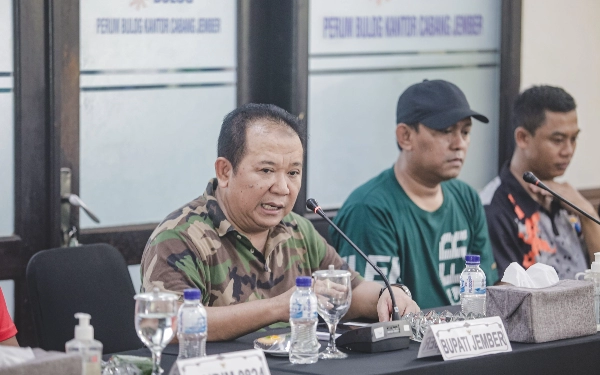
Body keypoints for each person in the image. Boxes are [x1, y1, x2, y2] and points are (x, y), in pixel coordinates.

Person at [141, 103, 419, 341]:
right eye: (266, 170)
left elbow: (351, 289)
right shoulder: (178, 238)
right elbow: (169, 325)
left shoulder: (297, 228)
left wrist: (388, 293)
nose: (283, 188)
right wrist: (278, 307)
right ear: (225, 171)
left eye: (294, 172)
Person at [330, 79, 499, 310]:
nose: (459, 143)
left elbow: (486, 291)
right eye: (446, 131)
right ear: (406, 137)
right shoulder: (369, 209)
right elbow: (375, 314)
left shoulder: (467, 197)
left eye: (466, 131)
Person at [480, 85, 600, 279]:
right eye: (558, 139)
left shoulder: (568, 198)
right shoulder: (494, 208)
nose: (568, 150)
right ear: (523, 138)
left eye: (574, 138)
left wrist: (588, 214)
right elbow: (508, 297)